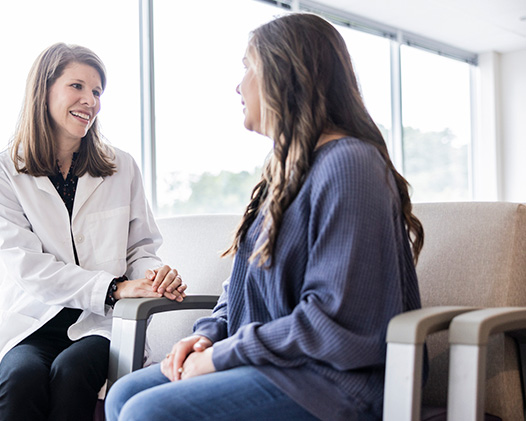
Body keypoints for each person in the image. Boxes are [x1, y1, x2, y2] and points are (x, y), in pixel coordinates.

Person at [105, 12, 425, 421]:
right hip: (276, 364)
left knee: (147, 412)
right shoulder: (284, 173)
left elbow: (334, 321)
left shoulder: (350, 165)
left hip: (334, 381)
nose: (237, 86)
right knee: (123, 394)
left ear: (284, 74)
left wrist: (223, 356)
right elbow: (241, 286)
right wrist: (206, 338)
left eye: (247, 67)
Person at [0, 43, 187, 421]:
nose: (90, 100)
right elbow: (27, 266)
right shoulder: (1, 173)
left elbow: (140, 248)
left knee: (72, 373)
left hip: (102, 324)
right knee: (21, 379)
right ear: (44, 91)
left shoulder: (121, 167)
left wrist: (153, 275)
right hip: (33, 321)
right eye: (77, 86)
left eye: (98, 91)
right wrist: (111, 287)